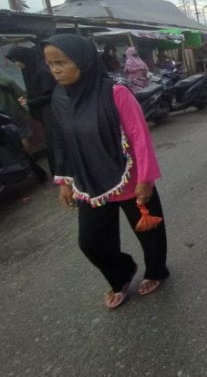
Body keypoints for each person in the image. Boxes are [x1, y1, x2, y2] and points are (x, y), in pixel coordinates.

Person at [43, 34, 169, 309]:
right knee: (90, 242)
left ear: (83, 61)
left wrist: (146, 178)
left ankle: (156, 271)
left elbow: (139, 135)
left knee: (150, 233)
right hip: (90, 182)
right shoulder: (60, 98)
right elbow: (62, 140)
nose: (55, 69)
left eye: (61, 62)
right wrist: (64, 181)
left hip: (130, 178)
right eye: (50, 64)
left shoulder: (115, 92)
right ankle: (121, 273)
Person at [6, 45, 58, 175]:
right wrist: (28, 99)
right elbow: (35, 91)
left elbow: (52, 93)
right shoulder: (30, 70)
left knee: (57, 141)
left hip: (53, 112)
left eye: (15, 60)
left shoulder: (42, 71)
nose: (16, 63)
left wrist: (31, 102)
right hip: (46, 113)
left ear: (23, 57)